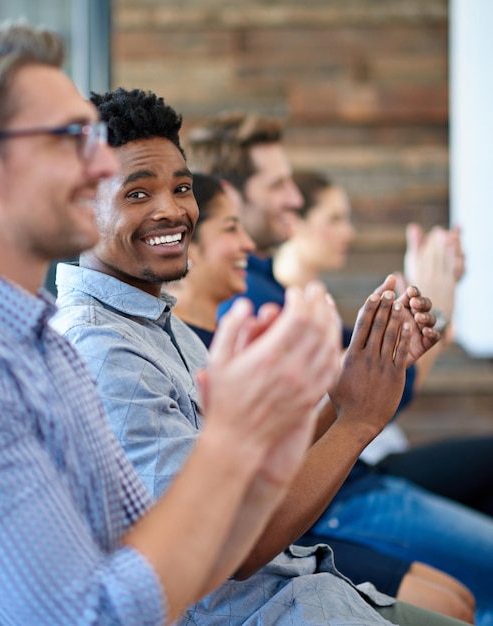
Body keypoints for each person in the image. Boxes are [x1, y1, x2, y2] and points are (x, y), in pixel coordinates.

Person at [0, 21, 360, 625]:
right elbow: (96, 616)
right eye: (69, 139)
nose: (98, 168)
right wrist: (239, 445)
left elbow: (167, 546)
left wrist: (273, 427)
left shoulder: (43, 344)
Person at [51, 85, 478, 626]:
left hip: (304, 588)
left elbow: (255, 475)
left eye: (181, 188)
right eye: (137, 194)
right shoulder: (102, 350)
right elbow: (223, 546)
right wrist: (357, 419)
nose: (173, 210)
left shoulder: (159, 325)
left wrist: (349, 392)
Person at [186, 111, 493, 625]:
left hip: (344, 481)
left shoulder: (263, 291)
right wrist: (434, 309)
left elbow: (370, 383)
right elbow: (369, 393)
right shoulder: (251, 302)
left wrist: (419, 325)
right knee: (452, 601)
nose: (292, 198)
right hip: (332, 502)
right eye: (279, 185)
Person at [273, 170, 493, 516]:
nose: (350, 232)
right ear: (293, 222)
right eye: (334, 219)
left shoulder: (312, 298)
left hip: (363, 465)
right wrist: (438, 309)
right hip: (348, 487)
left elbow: (397, 362)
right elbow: (371, 388)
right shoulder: (273, 306)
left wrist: (433, 298)